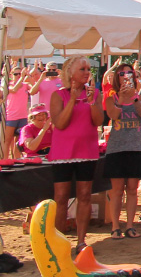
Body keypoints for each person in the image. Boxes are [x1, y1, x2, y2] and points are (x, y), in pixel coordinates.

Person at [48, 56, 104, 255]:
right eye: (82, 69)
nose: (87, 72)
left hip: (87, 151)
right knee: (61, 197)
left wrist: (90, 102)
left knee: (84, 196)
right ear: (70, 72)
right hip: (63, 153)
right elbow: (60, 123)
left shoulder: (95, 94)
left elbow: (98, 120)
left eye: (88, 69)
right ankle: (59, 242)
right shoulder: (58, 95)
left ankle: (81, 241)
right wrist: (72, 99)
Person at [102, 63, 141, 240]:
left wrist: (134, 98)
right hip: (116, 148)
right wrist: (121, 99)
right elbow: (113, 116)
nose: (126, 76)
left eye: (130, 73)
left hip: (136, 147)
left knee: (132, 188)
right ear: (117, 77)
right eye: (122, 73)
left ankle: (130, 225)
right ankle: (115, 226)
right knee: (116, 190)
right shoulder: (110, 98)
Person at [4, 64, 41, 159]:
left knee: (19, 142)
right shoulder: (7, 84)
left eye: (20, 74)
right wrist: (22, 78)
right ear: (11, 75)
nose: (18, 75)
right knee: (7, 141)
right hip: (11, 117)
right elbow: (14, 90)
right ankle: (4, 160)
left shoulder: (25, 85)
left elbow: (34, 90)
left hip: (23, 116)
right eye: (16, 74)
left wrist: (29, 76)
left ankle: (16, 160)